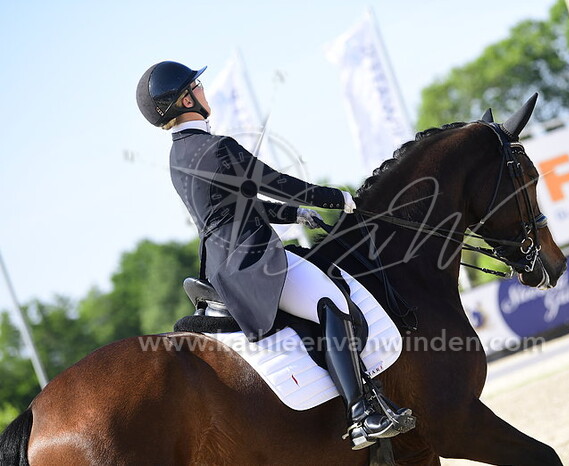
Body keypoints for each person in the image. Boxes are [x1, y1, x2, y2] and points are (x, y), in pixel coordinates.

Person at [136, 61, 413, 450]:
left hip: (220, 267)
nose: (203, 90)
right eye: (196, 86)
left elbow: (233, 207)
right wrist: (337, 198)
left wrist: (294, 214)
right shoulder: (217, 147)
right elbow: (275, 182)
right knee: (331, 302)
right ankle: (362, 413)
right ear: (185, 100)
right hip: (252, 262)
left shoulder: (179, 155)